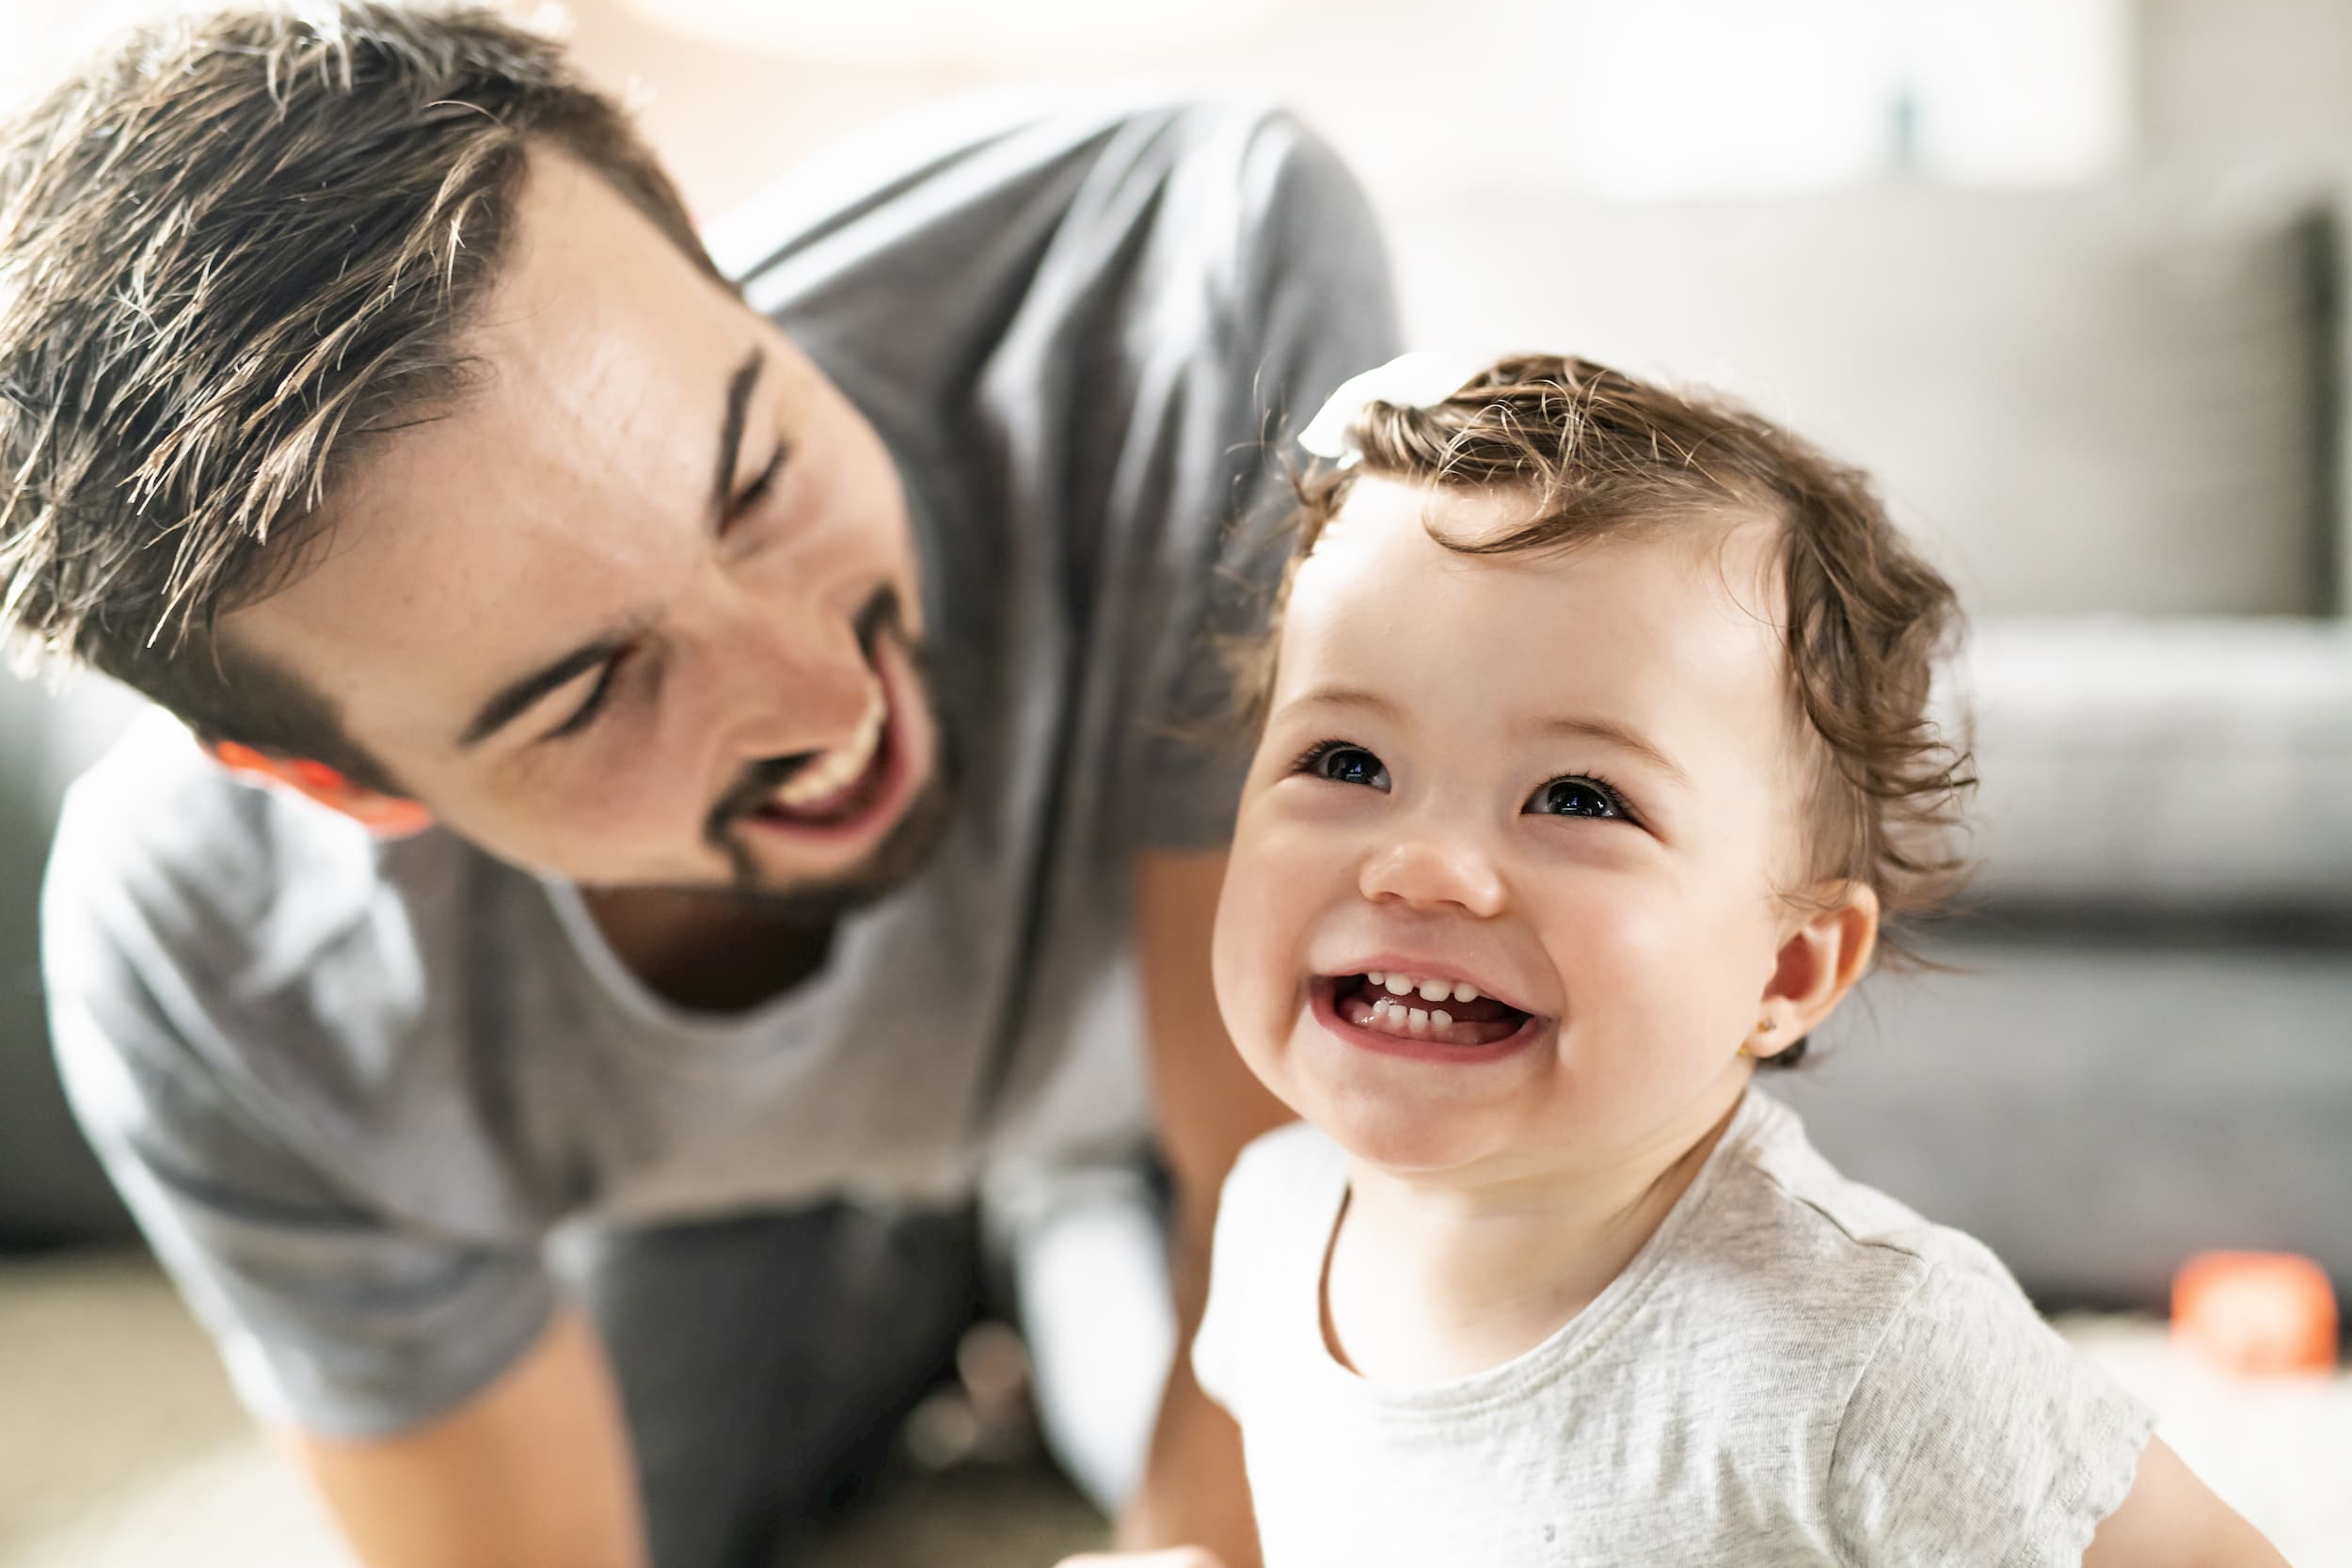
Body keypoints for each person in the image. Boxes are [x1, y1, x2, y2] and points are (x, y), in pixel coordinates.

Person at [0, 5, 1400, 1565]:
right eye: (593, 687)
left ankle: (1041, 1228)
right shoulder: (214, 966)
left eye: (754, 478)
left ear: (701, 253)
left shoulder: (1184, 271)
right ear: (336, 782)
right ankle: (934, 1268)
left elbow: (1300, 1223)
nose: (828, 697)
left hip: (1182, 1100)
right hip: (725, 1188)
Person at [1182, 352, 2294, 1565]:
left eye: (1576, 796)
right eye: (1346, 763)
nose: (1423, 866)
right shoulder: (1274, 1219)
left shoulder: (1872, 1353)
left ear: (1788, 970)